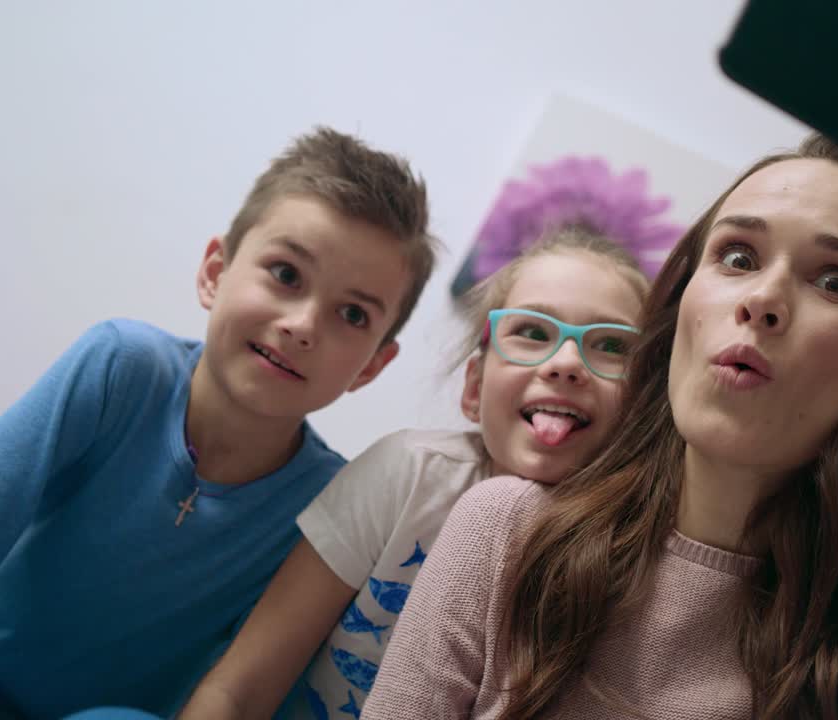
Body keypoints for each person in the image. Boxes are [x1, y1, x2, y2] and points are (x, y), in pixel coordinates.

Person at [362, 53, 838, 719]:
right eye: (737, 257)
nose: (763, 299)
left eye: (836, 281)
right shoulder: (508, 537)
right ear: (678, 311)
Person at [0, 127, 438, 719]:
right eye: (286, 274)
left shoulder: (332, 502)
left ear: (372, 365)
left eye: (351, 314)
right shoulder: (122, 368)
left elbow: (257, 685)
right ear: (214, 273)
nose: (302, 325)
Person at [176, 227, 650, 719]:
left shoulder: (637, 563)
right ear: (474, 388)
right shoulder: (408, 475)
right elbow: (240, 689)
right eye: (532, 333)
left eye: (612, 346)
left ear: (644, 409)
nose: (567, 363)